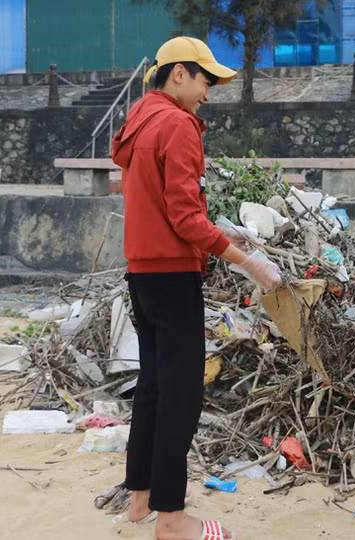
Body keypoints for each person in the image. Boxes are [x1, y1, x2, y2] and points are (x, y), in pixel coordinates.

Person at [111, 36, 281, 540]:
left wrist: (222, 229)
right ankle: (172, 518)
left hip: (142, 273)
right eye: (206, 79)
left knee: (155, 386)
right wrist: (253, 264)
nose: (209, 92)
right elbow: (185, 218)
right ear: (179, 74)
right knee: (182, 393)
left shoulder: (140, 120)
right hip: (172, 276)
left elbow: (166, 207)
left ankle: (140, 498)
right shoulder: (178, 124)